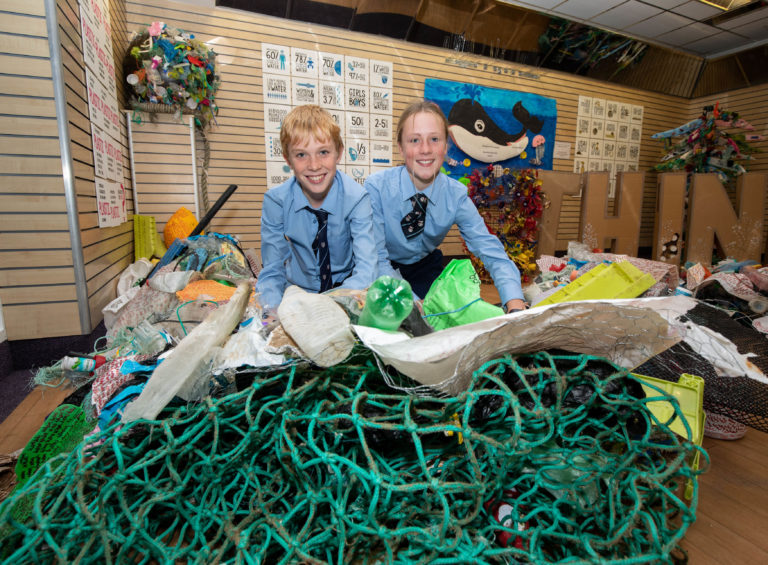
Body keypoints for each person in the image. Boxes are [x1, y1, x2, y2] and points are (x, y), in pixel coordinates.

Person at [364, 99, 526, 313]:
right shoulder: (376, 188)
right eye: (414, 140)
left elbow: (489, 249)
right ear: (401, 148)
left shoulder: (456, 195)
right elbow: (376, 258)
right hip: (382, 268)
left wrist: (514, 301)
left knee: (450, 320)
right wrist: (412, 304)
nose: (425, 149)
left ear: (446, 146)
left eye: (434, 139)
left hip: (425, 268)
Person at [256, 105, 377, 314]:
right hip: (297, 294)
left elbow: (367, 269)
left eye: (323, 152)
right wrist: (272, 311)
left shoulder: (357, 198)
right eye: (301, 155)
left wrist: (330, 308)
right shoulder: (276, 201)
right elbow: (272, 270)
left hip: (346, 294)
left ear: (339, 152)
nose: (314, 165)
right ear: (287, 159)